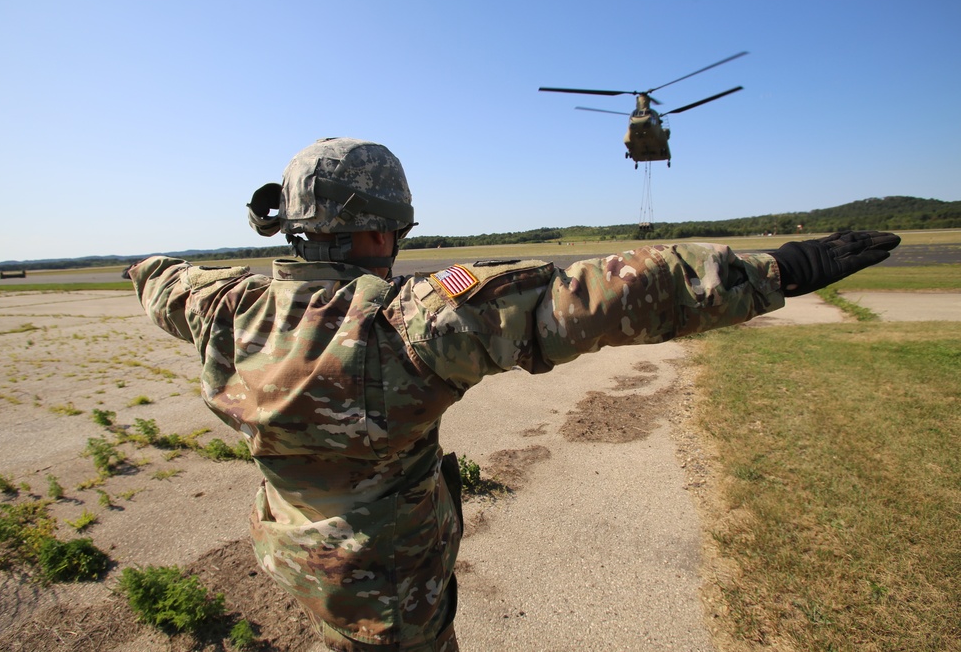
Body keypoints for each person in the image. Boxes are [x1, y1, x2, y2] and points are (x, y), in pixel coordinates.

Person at [124, 137, 900, 651]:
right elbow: (600, 294)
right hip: (396, 597)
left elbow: (162, 278)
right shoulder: (406, 323)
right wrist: (782, 269)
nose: (396, 251)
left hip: (294, 560)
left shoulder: (224, 308)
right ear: (370, 233)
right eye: (392, 234)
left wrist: (143, 267)